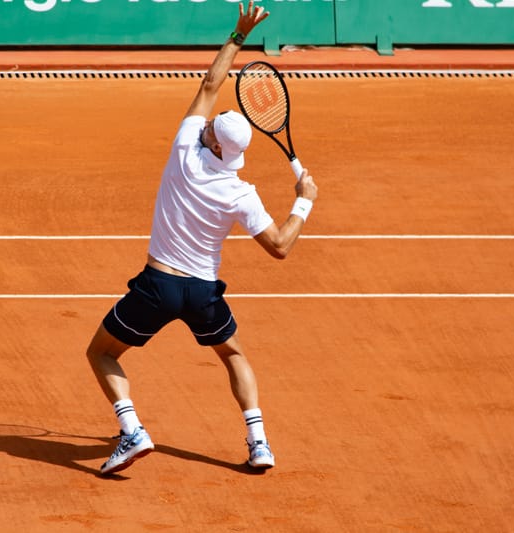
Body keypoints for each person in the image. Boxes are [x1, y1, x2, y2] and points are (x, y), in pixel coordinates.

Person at [86, 0, 318, 476]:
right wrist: (304, 201)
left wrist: (238, 35)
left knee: (101, 353)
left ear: (212, 142)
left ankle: (132, 430)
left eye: (211, 126)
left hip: (157, 286)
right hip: (202, 294)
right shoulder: (241, 193)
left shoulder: (184, 151)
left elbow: (210, 84)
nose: (207, 123)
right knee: (233, 355)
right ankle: (259, 443)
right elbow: (280, 245)